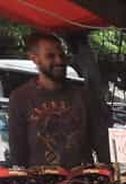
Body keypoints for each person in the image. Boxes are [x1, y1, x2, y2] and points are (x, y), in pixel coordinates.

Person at [8, 32, 109, 167]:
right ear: (35, 58)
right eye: (50, 56)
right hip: (38, 182)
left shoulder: (84, 96)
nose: (59, 61)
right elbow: (17, 152)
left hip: (81, 181)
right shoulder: (20, 98)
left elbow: (102, 144)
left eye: (62, 55)